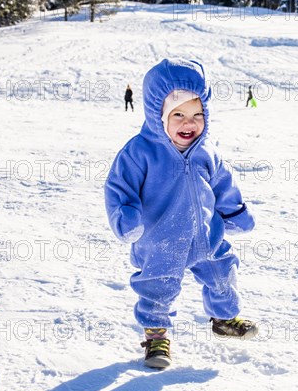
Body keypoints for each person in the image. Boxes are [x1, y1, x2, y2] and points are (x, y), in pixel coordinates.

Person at [105, 59, 257, 369]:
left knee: (223, 272)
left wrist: (234, 212)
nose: (189, 123)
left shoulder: (206, 150)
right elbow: (119, 188)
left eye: (197, 115)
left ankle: (224, 318)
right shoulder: (139, 152)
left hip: (206, 234)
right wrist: (127, 218)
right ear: (157, 114)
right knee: (158, 287)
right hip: (160, 240)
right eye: (178, 115)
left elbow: (223, 182)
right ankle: (156, 337)